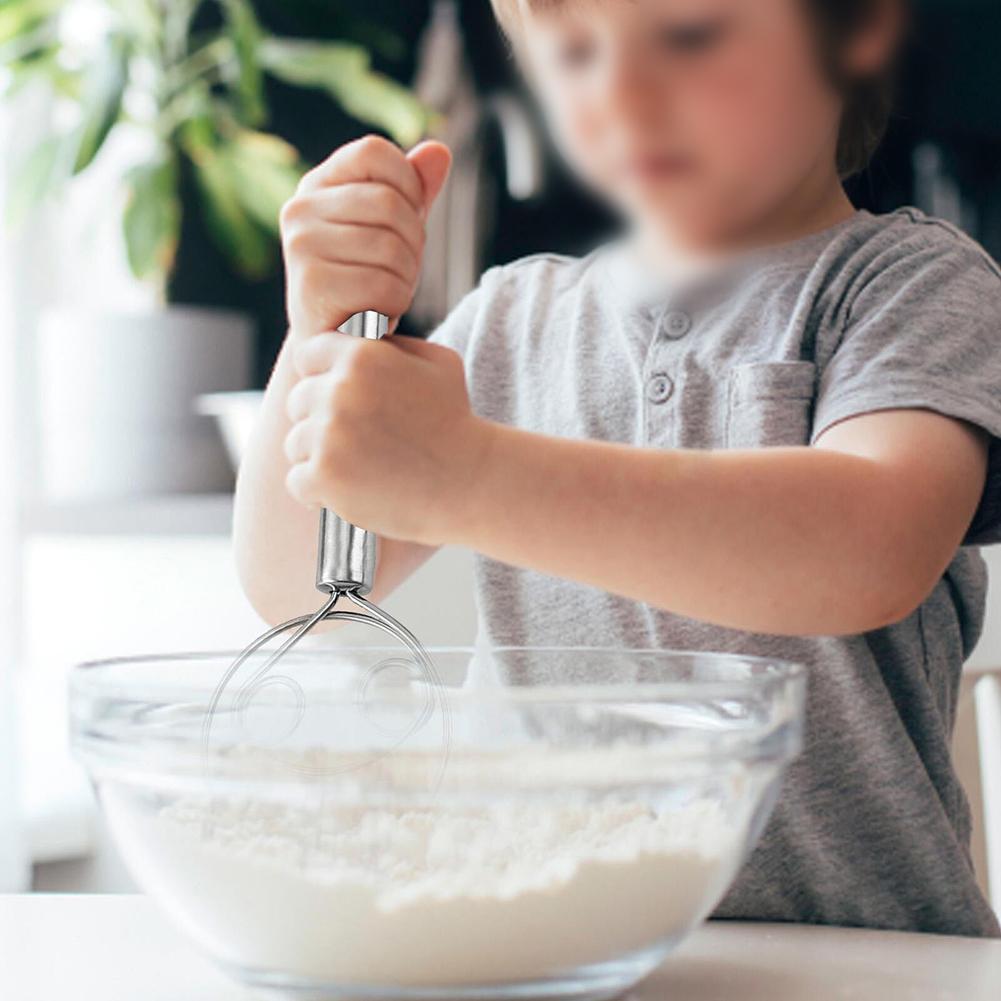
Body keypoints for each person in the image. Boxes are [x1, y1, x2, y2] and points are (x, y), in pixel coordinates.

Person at [234, 0, 1001, 937]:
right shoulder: (509, 317)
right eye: (575, 54)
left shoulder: (907, 286)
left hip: (859, 955)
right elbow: (294, 586)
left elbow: (869, 547)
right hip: (541, 941)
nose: (624, 95)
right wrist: (316, 329)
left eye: (688, 36)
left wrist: (472, 477)